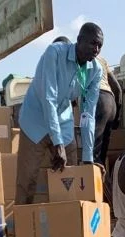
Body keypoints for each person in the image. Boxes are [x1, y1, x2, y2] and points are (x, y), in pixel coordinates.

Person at [15, 24, 105, 205]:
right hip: (36, 122)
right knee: (27, 181)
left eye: (100, 46)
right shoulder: (54, 54)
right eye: (92, 44)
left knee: (69, 181)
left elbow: (88, 114)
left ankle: (65, 226)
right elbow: (48, 98)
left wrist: (88, 158)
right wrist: (57, 142)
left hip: (63, 123)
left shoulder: (95, 70)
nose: (96, 50)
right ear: (79, 40)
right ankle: (23, 230)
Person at [93, 55, 124, 179]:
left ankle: (93, 190)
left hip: (98, 99)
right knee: (102, 155)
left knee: (92, 155)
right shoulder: (102, 59)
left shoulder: (81, 56)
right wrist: (117, 117)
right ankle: (103, 187)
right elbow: (117, 89)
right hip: (111, 102)